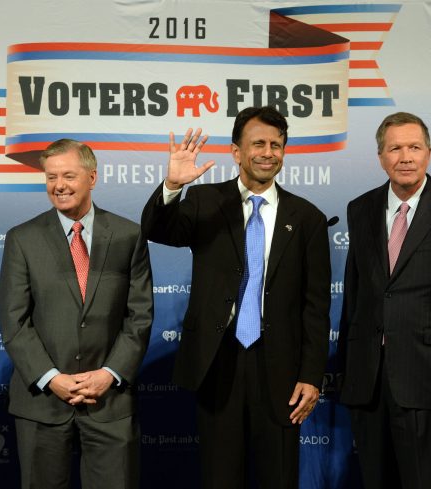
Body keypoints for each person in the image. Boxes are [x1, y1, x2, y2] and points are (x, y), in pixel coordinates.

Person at [141, 106, 331, 489]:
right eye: (257, 143)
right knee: (219, 476)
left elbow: (315, 307)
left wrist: (311, 376)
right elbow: (158, 230)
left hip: (279, 367)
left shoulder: (307, 216)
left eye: (276, 145)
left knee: (277, 476)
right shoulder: (205, 201)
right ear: (236, 152)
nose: (267, 152)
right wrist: (173, 187)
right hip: (217, 360)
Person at [338, 112, 431, 489]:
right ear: (380, 157)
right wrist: (345, 370)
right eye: (395, 148)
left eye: (414, 147)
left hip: (429, 379)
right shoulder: (360, 209)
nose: (405, 156)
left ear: (429, 153)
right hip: (368, 380)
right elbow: (355, 295)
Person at [0, 138, 153, 489]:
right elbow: (14, 321)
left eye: (68, 175)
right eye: (51, 177)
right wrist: (52, 377)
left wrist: (109, 373)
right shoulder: (22, 238)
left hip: (110, 402)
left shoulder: (128, 235)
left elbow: (139, 316)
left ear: (92, 177)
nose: (59, 185)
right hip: (42, 403)